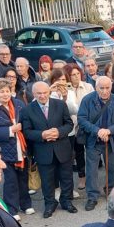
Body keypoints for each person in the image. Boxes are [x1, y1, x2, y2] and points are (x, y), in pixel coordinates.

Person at [0, 78, 34, 220]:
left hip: (21, 147)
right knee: (11, 180)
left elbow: (27, 120)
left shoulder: (18, 104)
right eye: (1, 92)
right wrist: (11, 130)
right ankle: (11, 209)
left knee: (23, 178)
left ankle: (26, 204)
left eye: (7, 91)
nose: (5, 94)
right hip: (4, 150)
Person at [20, 81, 75, 218]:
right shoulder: (27, 110)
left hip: (62, 147)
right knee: (47, 180)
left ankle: (66, 201)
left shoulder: (60, 104)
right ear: (34, 94)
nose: (42, 96)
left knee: (66, 177)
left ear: (49, 92)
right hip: (43, 150)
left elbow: (69, 124)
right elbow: (26, 131)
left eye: (45, 93)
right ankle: (50, 203)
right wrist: (42, 135)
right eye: (39, 93)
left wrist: (58, 132)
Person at [78, 76, 114, 210]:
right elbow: (82, 119)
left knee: (111, 168)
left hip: (111, 140)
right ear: (96, 87)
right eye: (101, 88)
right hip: (93, 140)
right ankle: (92, 196)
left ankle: (110, 190)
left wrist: (109, 131)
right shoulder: (87, 100)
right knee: (91, 170)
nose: (104, 91)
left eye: (107, 88)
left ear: (111, 87)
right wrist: (98, 131)